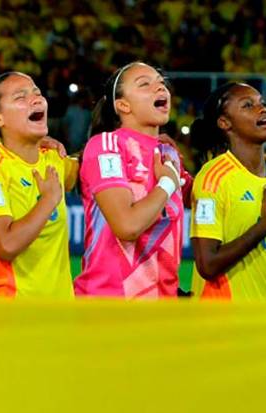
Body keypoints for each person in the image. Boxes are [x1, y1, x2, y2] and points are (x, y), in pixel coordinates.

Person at [75, 62, 189, 299]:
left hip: (163, 306)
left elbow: (207, 195)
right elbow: (126, 226)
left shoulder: (168, 153)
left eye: (161, 83)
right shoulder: (107, 146)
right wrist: (167, 184)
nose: (160, 88)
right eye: (144, 84)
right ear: (123, 105)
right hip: (111, 305)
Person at [0, 72, 77, 298]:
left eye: (37, 93)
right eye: (20, 97)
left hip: (58, 312)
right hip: (9, 310)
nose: (36, 99)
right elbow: (6, 245)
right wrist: (48, 200)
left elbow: (90, 166)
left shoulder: (53, 158)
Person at [187, 82, 266, 300]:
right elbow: (207, 265)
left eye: (262, 103)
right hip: (223, 315)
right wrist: (264, 225)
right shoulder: (213, 178)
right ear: (225, 123)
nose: (263, 109)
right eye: (248, 105)